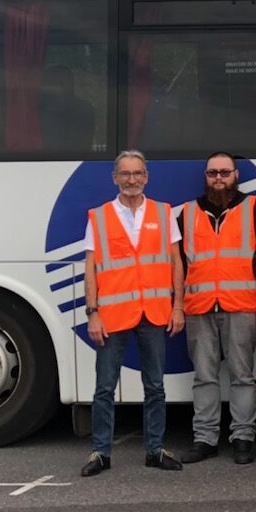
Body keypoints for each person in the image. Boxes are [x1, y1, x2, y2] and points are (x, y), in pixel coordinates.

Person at [81, 150, 185, 476]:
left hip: (154, 313)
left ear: (147, 177)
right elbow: (90, 268)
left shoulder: (164, 213)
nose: (132, 179)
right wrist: (92, 312)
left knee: (155, 386)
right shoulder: (98, 217)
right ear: (114, 178)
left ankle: (155, 450)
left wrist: (178, 306)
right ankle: (100, 453)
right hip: (112, 316)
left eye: (138, 173)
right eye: (125, 174)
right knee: (104, 388)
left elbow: (176, 262)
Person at [179, 152, 256, 465]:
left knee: (242, 375)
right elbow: (178, 265)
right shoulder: (188, 213)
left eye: (225, 172)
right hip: (199, 306)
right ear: (206, 177)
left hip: (241, 306)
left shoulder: (254, 209)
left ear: (236, 175)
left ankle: (243, 437)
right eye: (213, 173)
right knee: (204, 377)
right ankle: (205, 439)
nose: (219, 178)